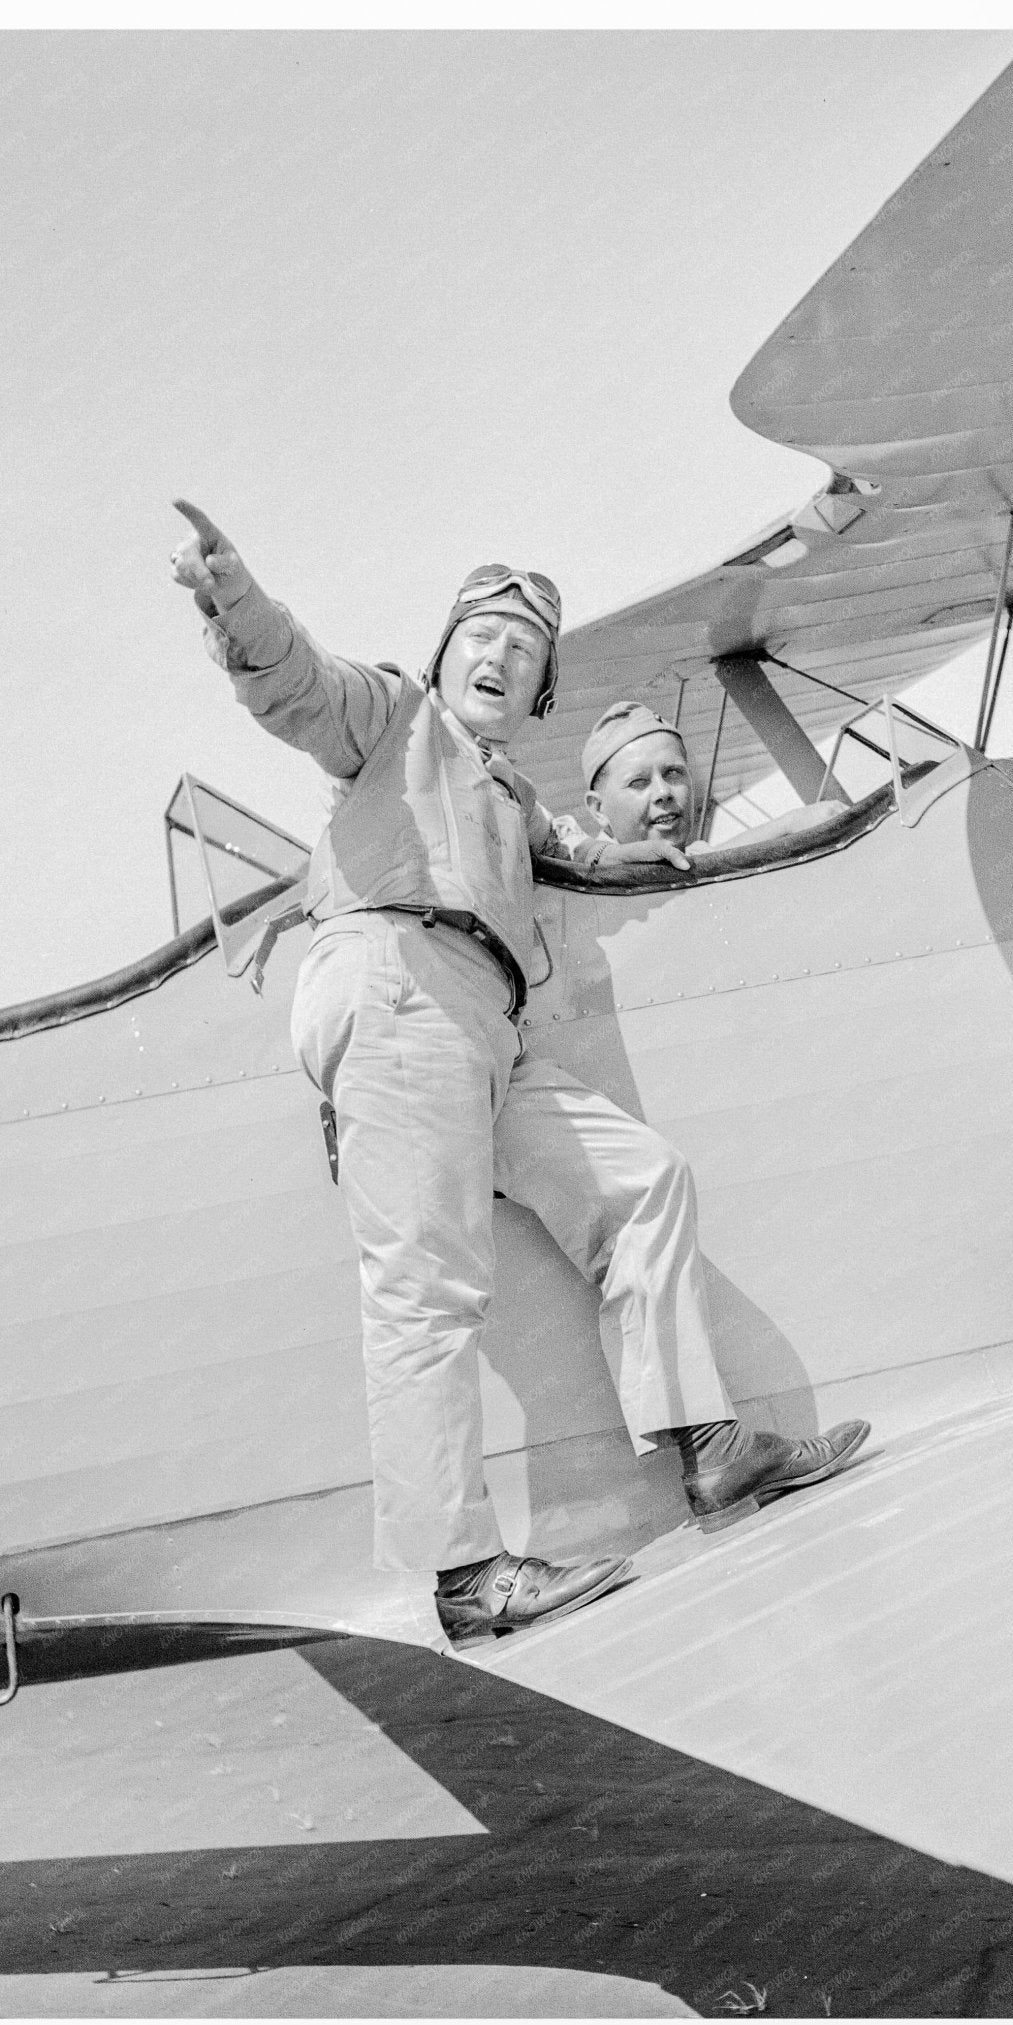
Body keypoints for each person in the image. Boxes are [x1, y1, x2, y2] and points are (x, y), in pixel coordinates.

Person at [169, 501, 869, 1645]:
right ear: (442, 653)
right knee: (423, 1291)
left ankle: (712, 1448)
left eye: (525, 649)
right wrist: (235, 601)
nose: (499, 655)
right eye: (481, 636)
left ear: (540, 689)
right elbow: (299, 684)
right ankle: (463, 1574)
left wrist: (664, 842)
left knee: (643, 1180)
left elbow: (589, 852)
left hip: (481, 1030)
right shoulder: (394, 720)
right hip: (398, 984)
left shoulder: (508, 795)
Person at [572, 700, 849, 864]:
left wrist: (792, 822)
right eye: (638, 782)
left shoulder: (682, 857)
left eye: (673, 772)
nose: (663, 792)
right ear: (597, 809)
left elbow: (710, 857)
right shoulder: (587, 876)